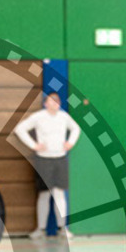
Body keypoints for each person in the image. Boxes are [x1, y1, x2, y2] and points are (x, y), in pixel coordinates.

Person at [14, 92, 81, 240]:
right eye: (51, 100)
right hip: (43, 160)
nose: (54, 103)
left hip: (60, 159)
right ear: (45, 103)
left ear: (59, 104)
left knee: (59, 194)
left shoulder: (64, 117)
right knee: (44, 194)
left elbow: (76, 129)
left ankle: (63, 228)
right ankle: (41, 229)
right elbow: (19, 129)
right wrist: (34, 145)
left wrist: (70, 143)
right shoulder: (38, 117)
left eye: (56, 101)